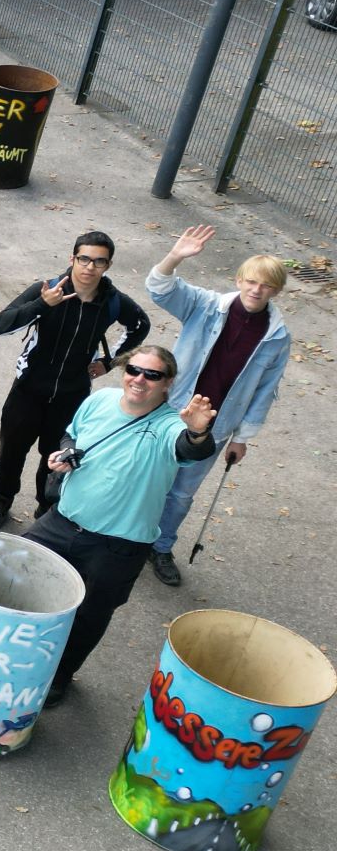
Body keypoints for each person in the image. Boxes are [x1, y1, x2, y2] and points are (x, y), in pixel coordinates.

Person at [27, 346, 218, 705]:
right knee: (18, 571)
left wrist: (197, 433)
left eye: (152, 375)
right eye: (134, 370)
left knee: (90, 614)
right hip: (63, 522)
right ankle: (19, 651)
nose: (140, 380)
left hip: (117, 546)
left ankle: (61, 675)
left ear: (168, 383)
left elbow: (190, 450)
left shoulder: (170, 427)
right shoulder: (100, 401)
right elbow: (72, 433)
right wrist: (64, 452)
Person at [142, 225, 292, 586]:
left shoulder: (278, 337)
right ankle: (128, 535)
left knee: (181, 493)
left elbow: (264, 391)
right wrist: (176, 255)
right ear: (239, 280)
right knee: (148, 476)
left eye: (267, 285)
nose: (257, 290)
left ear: (276, 290)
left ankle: (160, 546)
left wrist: (243, 438)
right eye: (252, 282)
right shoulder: (206, 305)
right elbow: (159, 289)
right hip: (172, 411)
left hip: (217, 426)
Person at [0, 231, 150, 530]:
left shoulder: (112, 302)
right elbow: (2, 324)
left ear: (108, 266)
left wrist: (109, 363)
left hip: (72, 395)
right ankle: (2, 500)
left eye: (99, 261)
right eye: (84, 259)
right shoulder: (47, 289)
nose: (90, 267)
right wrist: (43, 305)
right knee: (12, 449)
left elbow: (139, 325)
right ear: (72, 258)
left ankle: (46, 508)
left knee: (57, 455)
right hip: (28, 389)